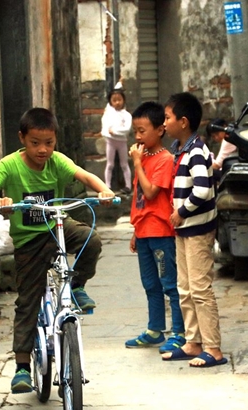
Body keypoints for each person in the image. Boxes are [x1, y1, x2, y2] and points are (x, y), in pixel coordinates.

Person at [0, 107, 115, 393]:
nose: (42, 150)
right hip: (28, 243)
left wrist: (104, 191)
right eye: (35, 143)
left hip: (58, 229)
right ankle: (22, 367)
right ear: (22, 139)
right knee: (27, 301)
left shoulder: (57, 162)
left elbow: (87, 176)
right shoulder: (9, 164)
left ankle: (77, 286)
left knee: (91, 239)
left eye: (49, 143)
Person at [160, 92, 228, 368]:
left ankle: (213, 348)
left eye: (167, 118)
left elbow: (202, 190)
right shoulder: (181, 150)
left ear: (183, 122)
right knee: (184, 288)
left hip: (197, 229)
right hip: (184, 230)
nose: (164, 123)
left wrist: (181, 212)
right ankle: (193, 342)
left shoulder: (196, 152)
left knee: (200, 288)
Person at [124, 101, 185, 353]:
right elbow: (138, 199)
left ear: (160, 130)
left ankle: (179, 333)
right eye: (135, 131)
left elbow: (150, 193)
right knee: (150, 284)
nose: (138, 136)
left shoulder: (164, 159)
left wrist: (137, 163)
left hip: (161, 232)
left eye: (142, 130)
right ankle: (154, 329)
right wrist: (135, 230)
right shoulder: (144, 156)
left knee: (169, 284)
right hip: (144, 231)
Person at [101, 87, 133, 195]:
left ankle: (128, 186)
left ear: (123, 100)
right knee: (110, 164)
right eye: (114, 100)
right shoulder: (109, 112)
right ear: (110, 102)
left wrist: (114, 131)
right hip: (110, 142)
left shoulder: (127, 115)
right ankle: (107, 186)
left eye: (119, 99)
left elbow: (127, 129)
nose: (117, 102)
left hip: (122, 142)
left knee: (124, 164)